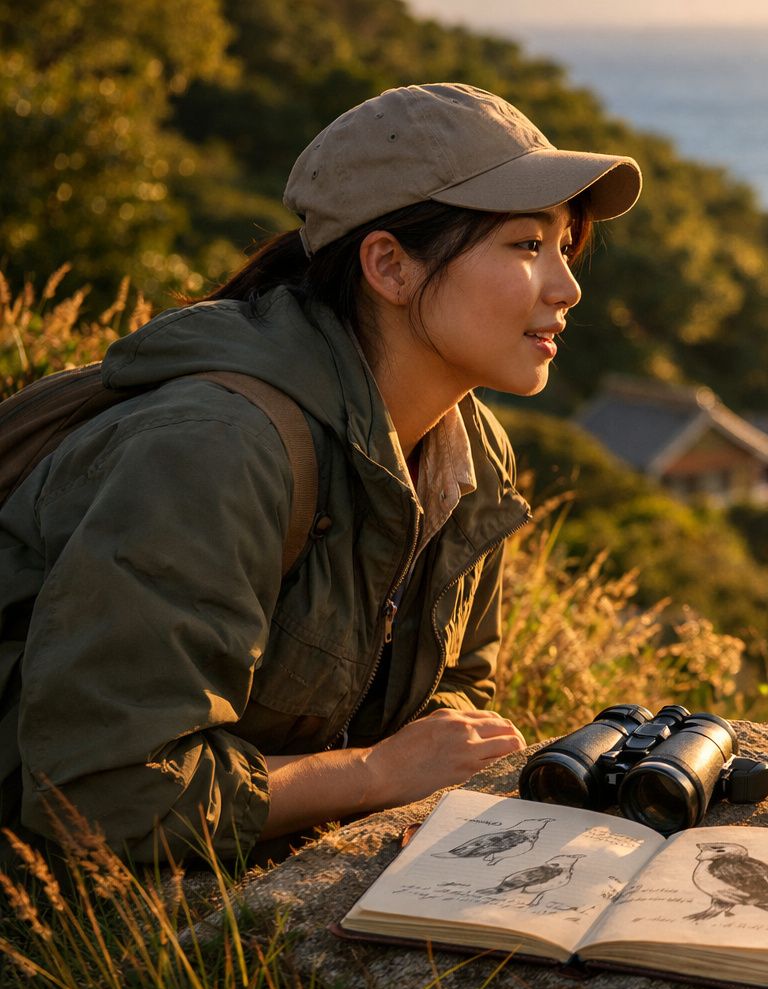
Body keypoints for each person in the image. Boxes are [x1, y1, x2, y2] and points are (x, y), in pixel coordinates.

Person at [0, 83, 642, 865]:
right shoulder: (216, 451)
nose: (567, 288)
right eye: (525, 246)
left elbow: (457, 687)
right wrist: (375, 774)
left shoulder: (469, 450)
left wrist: (433, 747)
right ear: (390, 266)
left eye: (565, 248)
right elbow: (103, 799)